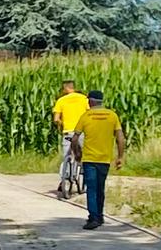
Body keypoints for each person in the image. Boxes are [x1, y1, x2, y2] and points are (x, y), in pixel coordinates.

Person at [73, 90, 125, 230]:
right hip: (105, 159)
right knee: (100, 188)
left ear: (90, 101)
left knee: (91, 188)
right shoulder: (112, 115)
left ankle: (94, 218)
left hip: (89, 158)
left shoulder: (86, 116)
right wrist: (120, 157)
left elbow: (75, 138)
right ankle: (99, 215)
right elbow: (120, 138)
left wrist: (77, 153)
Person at [52, 79, 89, 196]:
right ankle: (83, 178)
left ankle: (65, 178)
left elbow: (56, 119)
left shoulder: (61, 100)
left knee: (66, 156)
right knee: (82, 155)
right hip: (81, 132)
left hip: (68, 132)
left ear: (66, 88)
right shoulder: (84, 99)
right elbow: (89, 113)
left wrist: (61, 124)